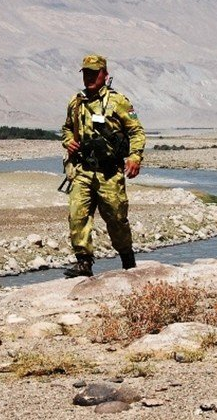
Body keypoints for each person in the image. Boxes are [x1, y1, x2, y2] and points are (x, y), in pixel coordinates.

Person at [61, 54, 146, 278]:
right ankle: (83, 262)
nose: (89, 77)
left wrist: (135, 157)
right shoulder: (76, 102)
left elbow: (136, 131)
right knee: (77, 215)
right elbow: (67, 129)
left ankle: (127, 259)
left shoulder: (118, 102)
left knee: (117, 219)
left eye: (94, 73)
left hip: (109, 172)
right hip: (83, 170)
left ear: (104, 75)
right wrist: (69, 142)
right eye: (86, 73)